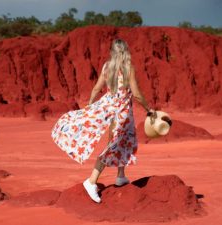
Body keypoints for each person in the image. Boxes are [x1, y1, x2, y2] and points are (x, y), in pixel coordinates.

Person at [51, 38, 155, 203]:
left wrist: (89, 106)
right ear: (125, 51)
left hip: (110, 108)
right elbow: (135, 93)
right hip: (121, 112)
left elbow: (96, 88)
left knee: (123, 142)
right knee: (114, 145)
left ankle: (121, 176)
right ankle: (91, 181)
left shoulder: (107, 67)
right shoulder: (128, 68)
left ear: (113, 52)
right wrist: (149, 110)